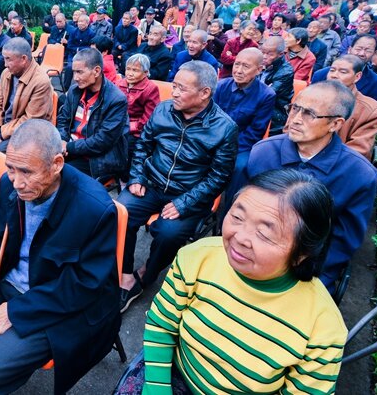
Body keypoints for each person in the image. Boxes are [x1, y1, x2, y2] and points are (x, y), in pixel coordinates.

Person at [0, 119, 121, 395]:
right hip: (8, 281)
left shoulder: (93, 208)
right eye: (11, 168)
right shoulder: (11, 184)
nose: (17, 182)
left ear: (56, 164)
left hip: (53, 305)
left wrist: (15, 311)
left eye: (27, 172)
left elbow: (85, 286)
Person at [141, 169, 347, 395]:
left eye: (264, 234)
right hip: (174, 377)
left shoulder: (323, 325)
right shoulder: (197, 258)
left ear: (302, 253)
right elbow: (161, 324)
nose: (239, 238)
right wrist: (157, 387)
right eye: (237, 217)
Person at [117, 61, 237, 311]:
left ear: (204, 93)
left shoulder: (224, 128)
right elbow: (143, 146)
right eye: (174, 86)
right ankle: (124, 273)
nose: (174, 93)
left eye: (182, 88)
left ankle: (147, 275)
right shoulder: (163, 110)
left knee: (168, 234)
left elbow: (219, 176)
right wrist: (137, 176)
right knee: (120, 213)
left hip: (188, 193)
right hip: (152, 182)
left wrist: (184, 203)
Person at [245, 80, 377, 292]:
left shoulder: (359, 174)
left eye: (309, 114)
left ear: (335, 124)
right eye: (295, 108)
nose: (296, 120)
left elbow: (344, 240)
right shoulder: (263, 152)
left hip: (306, 270)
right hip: (250, 252)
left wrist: (311, 277)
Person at [214, 48, 275, 204]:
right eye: (237, 64)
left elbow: (255, 132)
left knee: (240, 167)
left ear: (259, 70)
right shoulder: (221, 86)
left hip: (241, 145)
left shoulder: (266, 95)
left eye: (245, 66)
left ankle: (230, 210)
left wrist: (227, 148)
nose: (239, 71)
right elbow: (210, 118)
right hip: (214, 138)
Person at [57, 48, 128, 179]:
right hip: (71, 148)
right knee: (37, 163)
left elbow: (102, 141)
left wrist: (69, 147)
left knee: (58, 175)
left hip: (96, 158)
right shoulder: (75, 91)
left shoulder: (116, 99)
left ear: (96, 71)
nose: (75, 78)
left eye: (79, 72)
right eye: (73, 72)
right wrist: (62, 140)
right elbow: (63, 120)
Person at [326, 55, 377, 160]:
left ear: (357, 77)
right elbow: (291, 131)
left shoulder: (371, 110)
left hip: (336, 165)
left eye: (343, 72)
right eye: (332, 70)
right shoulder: (309, 97)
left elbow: (357, 151)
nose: (334, 75)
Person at [311, 34, 377, 103]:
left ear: (374, 53)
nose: (361, 53)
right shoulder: (320, 74)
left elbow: (370, 111)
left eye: (368, 51)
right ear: (350, 49)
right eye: (358, 49)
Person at [117, 53, 160, 159]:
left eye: (135, 70)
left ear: (146, 73)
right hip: (116, 126)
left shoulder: (150, 88)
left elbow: (149, 118)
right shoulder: (119, 84)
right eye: (128, 69)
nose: (130, 74)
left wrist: (128, 127)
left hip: (135, 132)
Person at [259, 36, 294, 135]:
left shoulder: (285, 71)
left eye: (269, 54)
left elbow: (267, 95)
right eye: (263, 52)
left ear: (280, 54)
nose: (264, 56)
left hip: (275, 111)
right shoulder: (261, 62)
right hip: (258, 104)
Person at [64, 14, 95, 88]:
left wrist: (79, 49)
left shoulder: (92, 33)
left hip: (85, 56)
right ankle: (66, 88)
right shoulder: (73, 31)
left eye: (82, 21)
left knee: (84, 69)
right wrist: (77, 49)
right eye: (79, 21)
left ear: (87, 23)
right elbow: (69, 45)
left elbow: (91, 47)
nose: (80, 23)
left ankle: (83, 87)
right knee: (69, 67)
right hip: (73, 55)